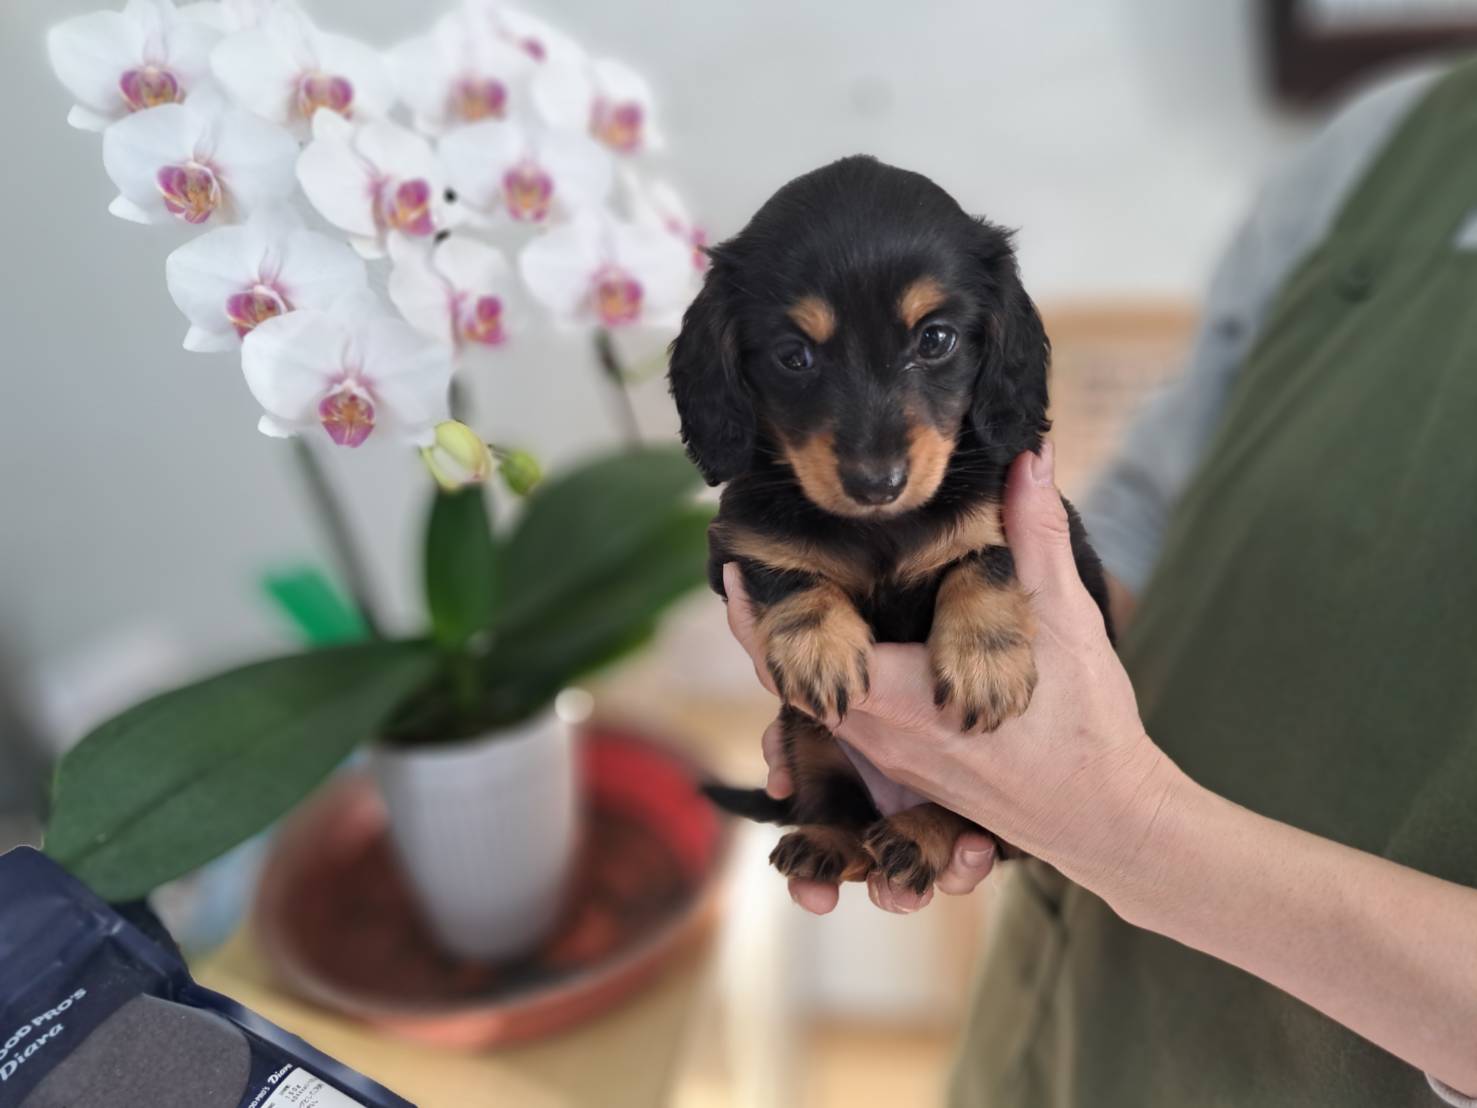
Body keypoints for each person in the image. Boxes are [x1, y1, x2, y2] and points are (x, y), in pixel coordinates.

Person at [721, 60, 1477, 1106]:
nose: (874, 458)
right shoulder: (1382, 140)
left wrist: (1123, 827)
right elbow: (1150, 508)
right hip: (1069, 997)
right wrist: (965, 732)